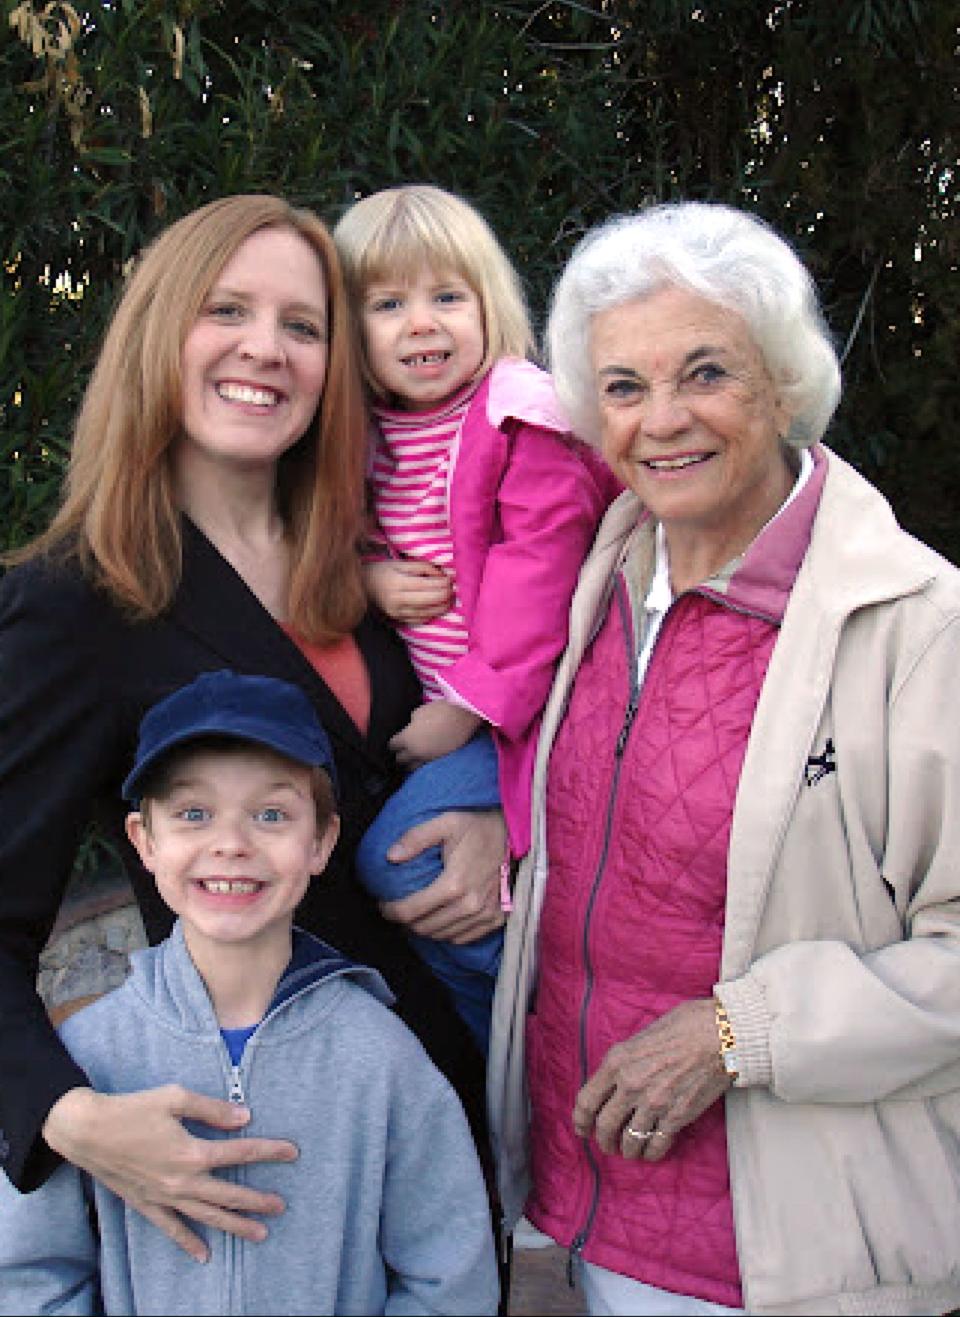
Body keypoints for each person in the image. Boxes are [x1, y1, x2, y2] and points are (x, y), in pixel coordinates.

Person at [0, 193, 507, 1269]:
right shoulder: (75, 603)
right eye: (227, 310)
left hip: (450, 1127)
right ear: (159, 335)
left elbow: (516, 707)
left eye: (304, 325)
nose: (265, 350)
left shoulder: (380, 565)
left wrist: (482, 799)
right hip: (261, 1175)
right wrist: (73, 1119)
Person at [487, 200, 960, 1315]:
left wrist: (743, 1029)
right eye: (624, 386)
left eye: (707, 373)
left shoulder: (917, 626)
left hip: (798, 1252)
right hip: (593, 1209)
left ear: (785, 384)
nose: (662, 421)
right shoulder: (598, 580)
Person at [0, 669, 499, 1315]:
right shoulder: (88, 1055)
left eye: (270, 813)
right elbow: (29, 1273)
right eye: (193, 813)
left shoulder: (381, 1056)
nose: (231, 843)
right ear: (143, 840)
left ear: (321, 841)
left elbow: (449, 1279)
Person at [333, 184, 619, 1053]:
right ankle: (509, 1041)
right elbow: (336, 545)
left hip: (527, 711)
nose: (422, 323)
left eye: (446, 296)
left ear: (487, 305)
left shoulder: (516, 415)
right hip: (469, 714)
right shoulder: (368, 431)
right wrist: (370, 582)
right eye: (388, 304)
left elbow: (543, 573)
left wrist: (469, 705)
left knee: (394, 857)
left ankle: (547, 1022)